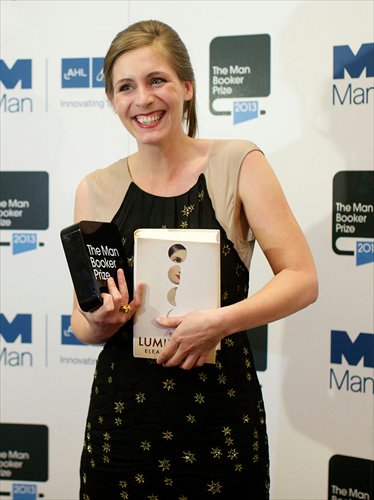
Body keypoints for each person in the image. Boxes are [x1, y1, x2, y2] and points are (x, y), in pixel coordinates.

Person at [71, 19, 318, 500]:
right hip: (123, 424)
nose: (142, 98)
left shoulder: (239, 163)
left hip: (219, 421)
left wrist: (220, 323)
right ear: (112, 100)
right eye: (125, 87)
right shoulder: (94, 189)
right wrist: (101, 319)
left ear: (186, 87)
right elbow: (81, 324)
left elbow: (303, 278)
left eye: (156, 80)